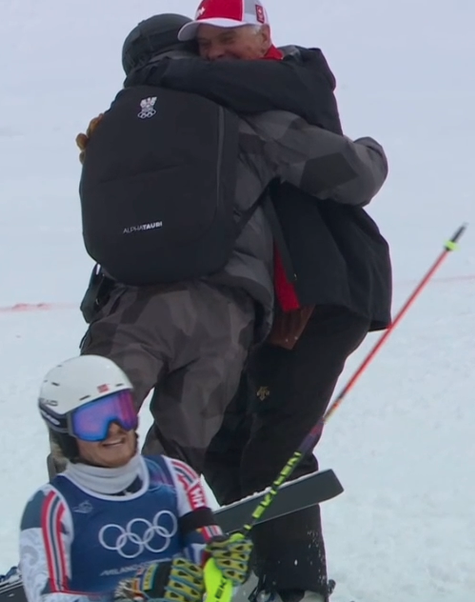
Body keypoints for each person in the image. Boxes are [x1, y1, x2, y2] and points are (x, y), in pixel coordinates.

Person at [125, 1, 394, 601]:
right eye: (206, 45)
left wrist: (371, 152)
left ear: (264, 34)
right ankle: (259, 567)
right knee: (224, 441)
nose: (216, 54)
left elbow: (354, 175)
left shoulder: (282, 85)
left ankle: (297, 587)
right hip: (258, 305)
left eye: (229, 38)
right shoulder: (212, 107)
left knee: (272, 448)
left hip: (321, 292)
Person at [70, 13, 388, 490]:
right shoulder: (237, 115)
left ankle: (75, 543)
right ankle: (159, 544)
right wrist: (371, 149)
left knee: (91, 431)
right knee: (178, 457)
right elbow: (352, 176)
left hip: (125, 307)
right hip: (221, 312)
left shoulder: (109, 131)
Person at [20, 354, 252, 602]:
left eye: (121, 411)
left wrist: (225, 564)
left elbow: (206, 566)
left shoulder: (175, 478)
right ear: (65, 433)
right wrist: (127, 592)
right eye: (94, 420)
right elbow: (45, 598)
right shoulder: (50, 506)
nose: (114, 428)